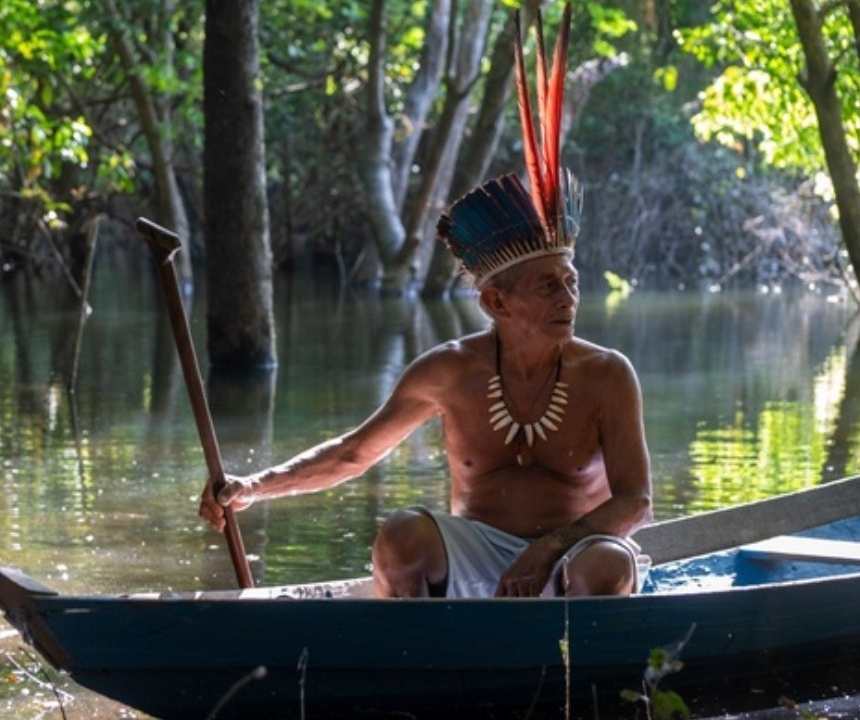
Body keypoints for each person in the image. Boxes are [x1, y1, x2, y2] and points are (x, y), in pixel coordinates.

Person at [199, 3, 651, 599]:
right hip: (476, 554)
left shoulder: (608, 374)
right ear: (496, 302)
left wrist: (548, 549)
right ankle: (424, 661)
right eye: (547, 285)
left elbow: (636, 502)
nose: (568, 296)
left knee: (605, 571)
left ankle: (570, 669)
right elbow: (353, 454)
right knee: (401, 538)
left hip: (576, 554)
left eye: (571, 281)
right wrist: (252, 487)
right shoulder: (448, 371)